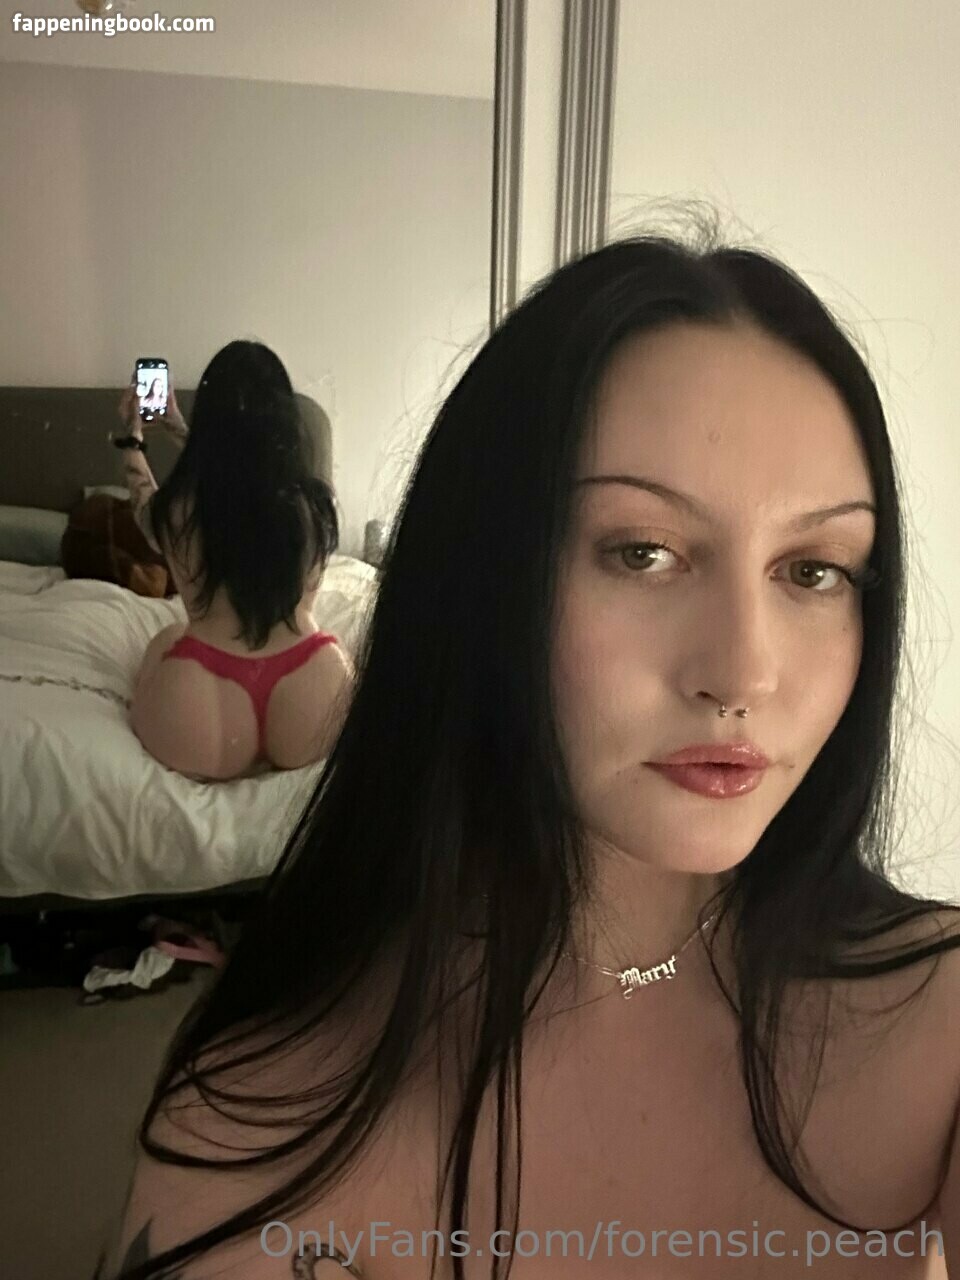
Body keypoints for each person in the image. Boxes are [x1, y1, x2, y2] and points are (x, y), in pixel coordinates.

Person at [97, 224, 960, 1280]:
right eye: (643, 552)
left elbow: (153, 533)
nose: (743, 673)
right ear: (480, 570)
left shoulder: (941, 1020)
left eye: (815, 570)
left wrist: (138, 435)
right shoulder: (263, 1105)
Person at [115, 340, 354, 781]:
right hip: (310, 689)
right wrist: (179, 429)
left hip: (198, 705)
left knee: (166, 638)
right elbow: (246, 471)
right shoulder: (312, 506)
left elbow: (151, 504)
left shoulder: (177, 511)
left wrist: (133, 439)